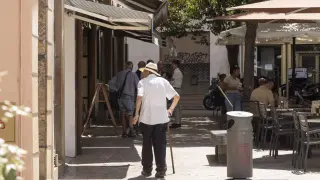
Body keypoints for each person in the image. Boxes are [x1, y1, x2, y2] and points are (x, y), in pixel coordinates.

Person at [133, 62, 180, 178]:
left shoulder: (142, 82)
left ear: (148, 71)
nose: (143, 72)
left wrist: (136, 114)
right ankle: (161, 171)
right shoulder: (164, 82)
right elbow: (176, 96)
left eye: (144, 71)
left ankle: (147, 170)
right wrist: (170, 109)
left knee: (147, 145)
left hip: (146, 119)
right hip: (161, 119)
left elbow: (139, 98)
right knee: (160, 145)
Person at [115, 61, 140, 138]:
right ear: (131, 67)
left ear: (125, 66)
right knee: (130, 114)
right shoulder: (133, 75)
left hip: (120, 97)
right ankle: (132, 131)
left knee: (123, 114)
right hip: (129, 97)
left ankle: (124, 132)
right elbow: (138, 86)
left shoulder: (119, 74)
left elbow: (115, 85)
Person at [169, 60, 183, 128]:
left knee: (176, 106)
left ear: (175, 64)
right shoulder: (178, 71)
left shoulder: (176, 72)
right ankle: (178, 121)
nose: (171, 66)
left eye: (172, 64)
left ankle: (177, 122)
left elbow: (172, 80)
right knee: (178, 106)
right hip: (177, 89)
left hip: (175, 89)